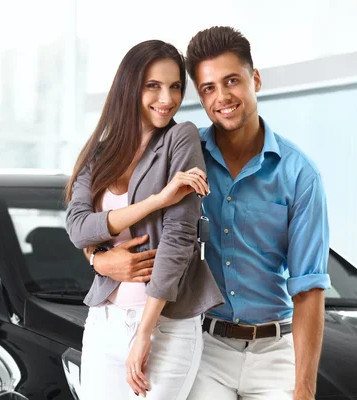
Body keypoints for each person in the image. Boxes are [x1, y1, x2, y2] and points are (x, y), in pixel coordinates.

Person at [91, 27, 331, 400]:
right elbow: (121, 219)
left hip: (275, 352)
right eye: (208, 88)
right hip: (205, 345)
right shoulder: (180, 156)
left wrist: (304, 388)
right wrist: (98, 258)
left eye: (232, 81)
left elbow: (309, 288)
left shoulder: (300, 175)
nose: (222, 97)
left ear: (255, 79)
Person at [65, 40, 224, 399]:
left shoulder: (181, 138)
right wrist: (156, 201)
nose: (166, 99)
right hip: (105, 320)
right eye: (153, 86)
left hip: (164, 325)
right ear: (130, 87)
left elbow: (179, 238)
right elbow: (78, 228)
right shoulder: (100, 153)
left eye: (175, 87)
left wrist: (144, 333)